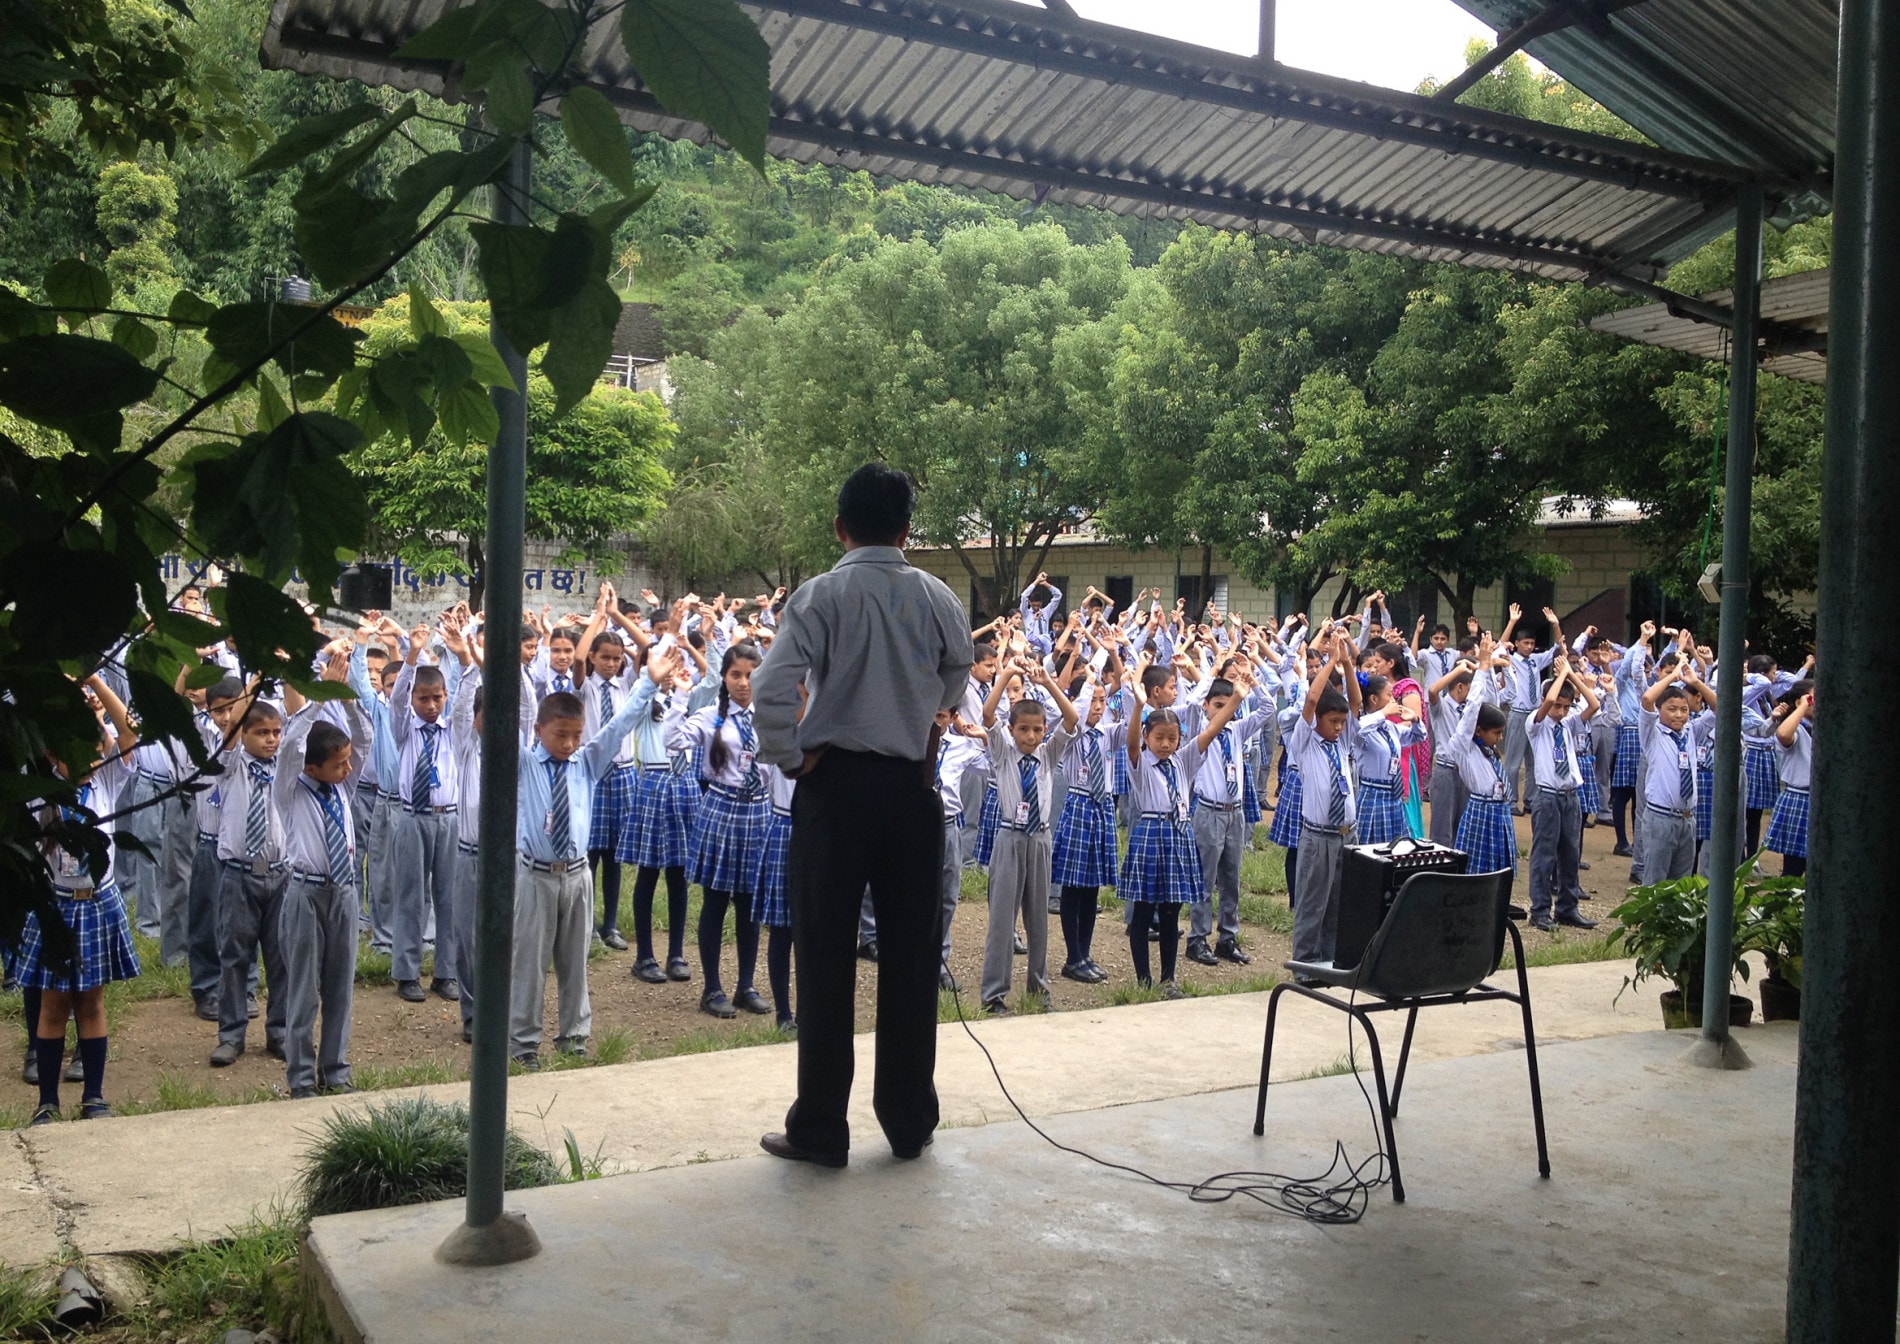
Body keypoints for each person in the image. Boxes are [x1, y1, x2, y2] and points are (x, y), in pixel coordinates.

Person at [751, 463, 974, 1169]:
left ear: (839, 527)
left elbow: (770, 685)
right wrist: (926, 716)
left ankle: (821, 1129)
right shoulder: (939, 596)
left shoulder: (821, 596)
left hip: (835, 790)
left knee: (824, 958)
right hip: (911, 792)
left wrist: (791, 756)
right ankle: (908, 1123)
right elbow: (960, 670)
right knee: (911, 958)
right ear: (908, 530)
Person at [509, 648, 678, 1067]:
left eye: (575, 735)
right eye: (559, 735)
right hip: (535, 876)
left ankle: (574, 1037)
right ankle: (523, 1043)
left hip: (577, 875)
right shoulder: (527, 763)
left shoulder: (586, 762)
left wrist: (648, 683)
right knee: (529, 963)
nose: (568, 744)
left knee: (575, 961)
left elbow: (620, 725)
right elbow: (504, 721)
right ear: (539, 730)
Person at [22, 675, 142, 1124]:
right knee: (53, 1006)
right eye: (80, 753)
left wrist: (94, 681)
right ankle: (47, 1103)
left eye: (95, 750)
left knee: (92, 1003)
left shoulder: (105, 781)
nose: (93, 758)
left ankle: (94, 1097)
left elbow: (127, 732)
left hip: (97, 904)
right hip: (56, 906)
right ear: (54, 757)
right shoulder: (39, 791)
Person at [276, 650, 370, 1098]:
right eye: (338, 765)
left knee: (340, 988)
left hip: (344, 893)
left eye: (348, 763)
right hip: (306, 895)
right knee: (304, 991)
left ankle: (336, 1070)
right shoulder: (291, 790)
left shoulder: (343, 786)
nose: (348, 769)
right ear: (312, 769)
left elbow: (364, 739)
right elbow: (293, 744)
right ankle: (300, 1079)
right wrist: (316, 699)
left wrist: (345, 696)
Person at [669, 643, 774, 1020]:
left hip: (758, 812)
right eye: (736, 675)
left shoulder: (770, 716)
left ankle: (746, 985)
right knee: (715, 901)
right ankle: (712, 988)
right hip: (721, 808)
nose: (744, 683)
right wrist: (680, 698)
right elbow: (673, 740)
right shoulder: (711, 717)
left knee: (750, 904)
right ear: (725, 677)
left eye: (751, 675)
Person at [977, 657, 1078, 1014]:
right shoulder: (1003, 753)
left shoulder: (1049, 755)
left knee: (1038, 921)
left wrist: (1048, 682)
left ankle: (1039, 991)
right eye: (1024, 730)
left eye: (1037, 730)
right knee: (1003, 921)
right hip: (1010, 838)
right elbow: (988, 716)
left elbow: (1071, 719)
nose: (1031, 737)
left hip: (1040, 840)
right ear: (1013, 730)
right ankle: (994, 995)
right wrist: (1007, 675)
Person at [209, 696, 290, 1068]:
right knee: (234, 957)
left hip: (280, 874)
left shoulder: (286, 767)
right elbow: (227, 738)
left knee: (281, 959)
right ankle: (231, 1034)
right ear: (242, 734)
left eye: (276, 732)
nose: (271, 740)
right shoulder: (229, 766)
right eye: (261, 733)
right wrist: (253, 685)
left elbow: (300, 728)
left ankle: (280, 1032)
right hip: (239, 874)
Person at [387, 636, 463, 1004]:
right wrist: (412, 657)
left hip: (448, 820)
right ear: (413, 700)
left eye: (438, 697)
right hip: (412, 818)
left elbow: (468, 695)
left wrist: (463, 652)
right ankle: (406, 972)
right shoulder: (404, 730)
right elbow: (397, 697)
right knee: (411, 897)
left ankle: (446, 972)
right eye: (423, 699)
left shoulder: (454, 731)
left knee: (449, 897)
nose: (431, 706)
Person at [1285, 630, 1364, 969]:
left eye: (1341, 723)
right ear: (1318, 722)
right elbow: (1311, 703)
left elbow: (1356, 703)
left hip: (1347, 834)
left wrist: (1346, 663)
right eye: (1333, 722)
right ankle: (1305, 963)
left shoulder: (1341, 744)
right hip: (1318, 836)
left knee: (1340, 901)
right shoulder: (1305, 743)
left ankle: (1330, 960)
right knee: (1312, 902)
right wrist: (1329, 661)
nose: (1338, 727)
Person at [1186, 669, 1275, 965]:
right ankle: (1197, 938)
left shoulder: (1237, 731)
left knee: (1231, 878)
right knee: (1204, 877)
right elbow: (1191, 701)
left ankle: (1228, 937)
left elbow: (1268, 709)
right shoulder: (1200, 731)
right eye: (1218, 705)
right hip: (1208, 811)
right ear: (1206, 706)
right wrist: (1211, 673)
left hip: (1234, 813)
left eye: (1229, 705)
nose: (1225, 712)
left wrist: (1253, 682)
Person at [1050, 671, 1120, 984]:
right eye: (1093, 700)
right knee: (1073, 886)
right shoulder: (1074, 731)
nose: (1098, 706)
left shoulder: (1107, 734)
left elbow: (1131, 720)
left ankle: (1086, 953)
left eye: (1103, 700)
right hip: (1079, 805)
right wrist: (1091, 675)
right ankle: (1072, 955)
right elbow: (1075, 713)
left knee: (1092, 887)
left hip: (1102, 807)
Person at [1525, 658, 1599, 932]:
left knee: (1570, 853)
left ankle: (1567, 908)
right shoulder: (1536, 724)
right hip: (1548, 796)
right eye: (1558, 706)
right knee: (1544, 855)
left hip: (1570, 795)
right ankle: (1540, 910)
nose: (1561, 711)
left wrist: (1572, 676)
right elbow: (1549, 700)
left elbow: (1594, 704)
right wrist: (1561, 676)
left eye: (1566, 707)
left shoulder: (1568, 725)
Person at [1449, 638, 1517, 878]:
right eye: (1496, 733)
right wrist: (1483, 667)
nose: (1499, 738)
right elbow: (1473, 709)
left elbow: (1489, 701)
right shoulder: (1463, 747)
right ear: (1478, 730)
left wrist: (1488, 670)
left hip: (1499, 815)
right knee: (1477, 873)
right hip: (1482, 815)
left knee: (1500, 872)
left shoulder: (1488, 752)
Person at [1636, 656, 1703, 883]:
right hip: (1661, 818)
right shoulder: (1652, 733)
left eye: (1683, 709)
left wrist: (1696, 682)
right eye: (1672, 709)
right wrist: (1673, 677)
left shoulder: (1691, 731)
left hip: (1687, 819)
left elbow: (1720, 708)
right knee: (1655, 880)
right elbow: (1647, 698)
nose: (1678, 715)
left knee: (1682, 883)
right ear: (1659, 710)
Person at [1350, 674, 1425, 846]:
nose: (1394, 700)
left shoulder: (1389, 727)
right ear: (1374, 699)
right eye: (1389, 695)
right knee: (1372, 848)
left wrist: (1414, 719)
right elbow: (1358, 729)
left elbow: (1418, 736)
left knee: (1396, 847)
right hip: (1373, 794)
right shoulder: (1365, 729)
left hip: (1393, 795)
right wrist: (1383, 713)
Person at [1766, 684, 1814, 878]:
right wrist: (1803, 707)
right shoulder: (1796, 729)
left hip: (1820, 799)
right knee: (1793, 869)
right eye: (1812, 699)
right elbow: (1783, 735)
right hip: (1799, 798)